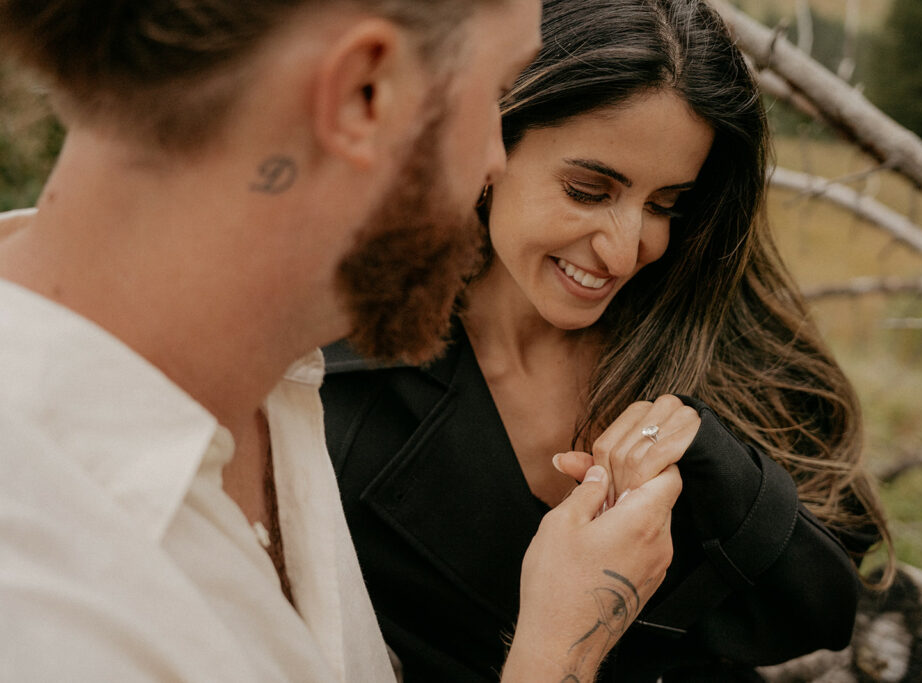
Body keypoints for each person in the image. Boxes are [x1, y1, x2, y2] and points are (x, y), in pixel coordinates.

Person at [0, 1, 683, 681]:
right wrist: (560, 651)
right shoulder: (40, 600)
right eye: (495, 93)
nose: (494, 162)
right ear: (364, 92)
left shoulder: (274, 377)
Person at [321, 0, 895, 680]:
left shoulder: (712, 330)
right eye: (588, 190)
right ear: (489, 141)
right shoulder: (341, 388)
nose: (625, 253)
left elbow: (825, 607)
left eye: (664, 204)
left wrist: (713, 465)